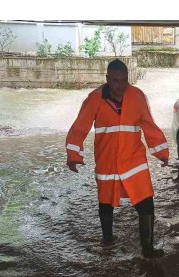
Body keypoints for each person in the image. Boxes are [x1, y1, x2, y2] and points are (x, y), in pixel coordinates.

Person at [65, 59, 168, 258]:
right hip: (107, 161)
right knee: (106, 202)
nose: (120, 86)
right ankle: (107, 240)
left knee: (146, 203)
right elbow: (79, 127)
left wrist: (162, 153)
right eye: (115, 81)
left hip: (134, 162)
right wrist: (73, 155)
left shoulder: (137, 96)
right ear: (107, 79)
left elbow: (149, 125)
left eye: (123, 81)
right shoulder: (94, 99)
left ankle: (148, 249)